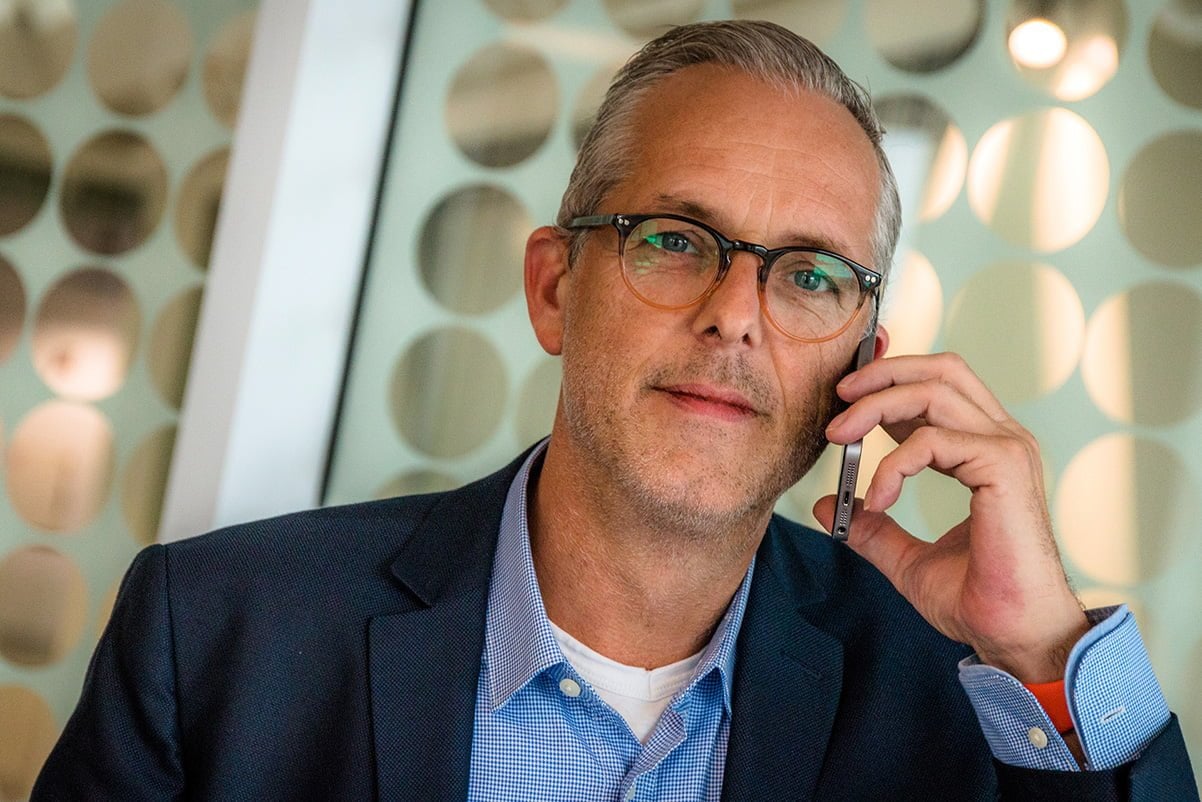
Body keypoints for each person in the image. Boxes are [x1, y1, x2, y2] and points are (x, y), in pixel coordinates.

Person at [33, 19, 1196, 802]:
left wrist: (1040, 650)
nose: (735, 317)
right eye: (676, 242)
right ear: (553, 286)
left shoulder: (965, 700)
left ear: (862, 360)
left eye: (805, 276)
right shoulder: (220, 634)